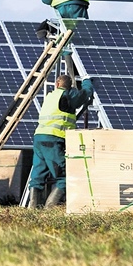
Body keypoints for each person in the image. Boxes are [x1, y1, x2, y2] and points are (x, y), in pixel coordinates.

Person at [28, 74, 94, 208]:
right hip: (53, 140)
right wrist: (87, 81)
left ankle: (32, 207)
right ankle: (50, 207)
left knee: (38, 174)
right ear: (68, 86)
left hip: (39, 138)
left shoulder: (50, 96)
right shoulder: (68, 96)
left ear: (57, 84)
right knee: (65, 176)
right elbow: (85, 94)